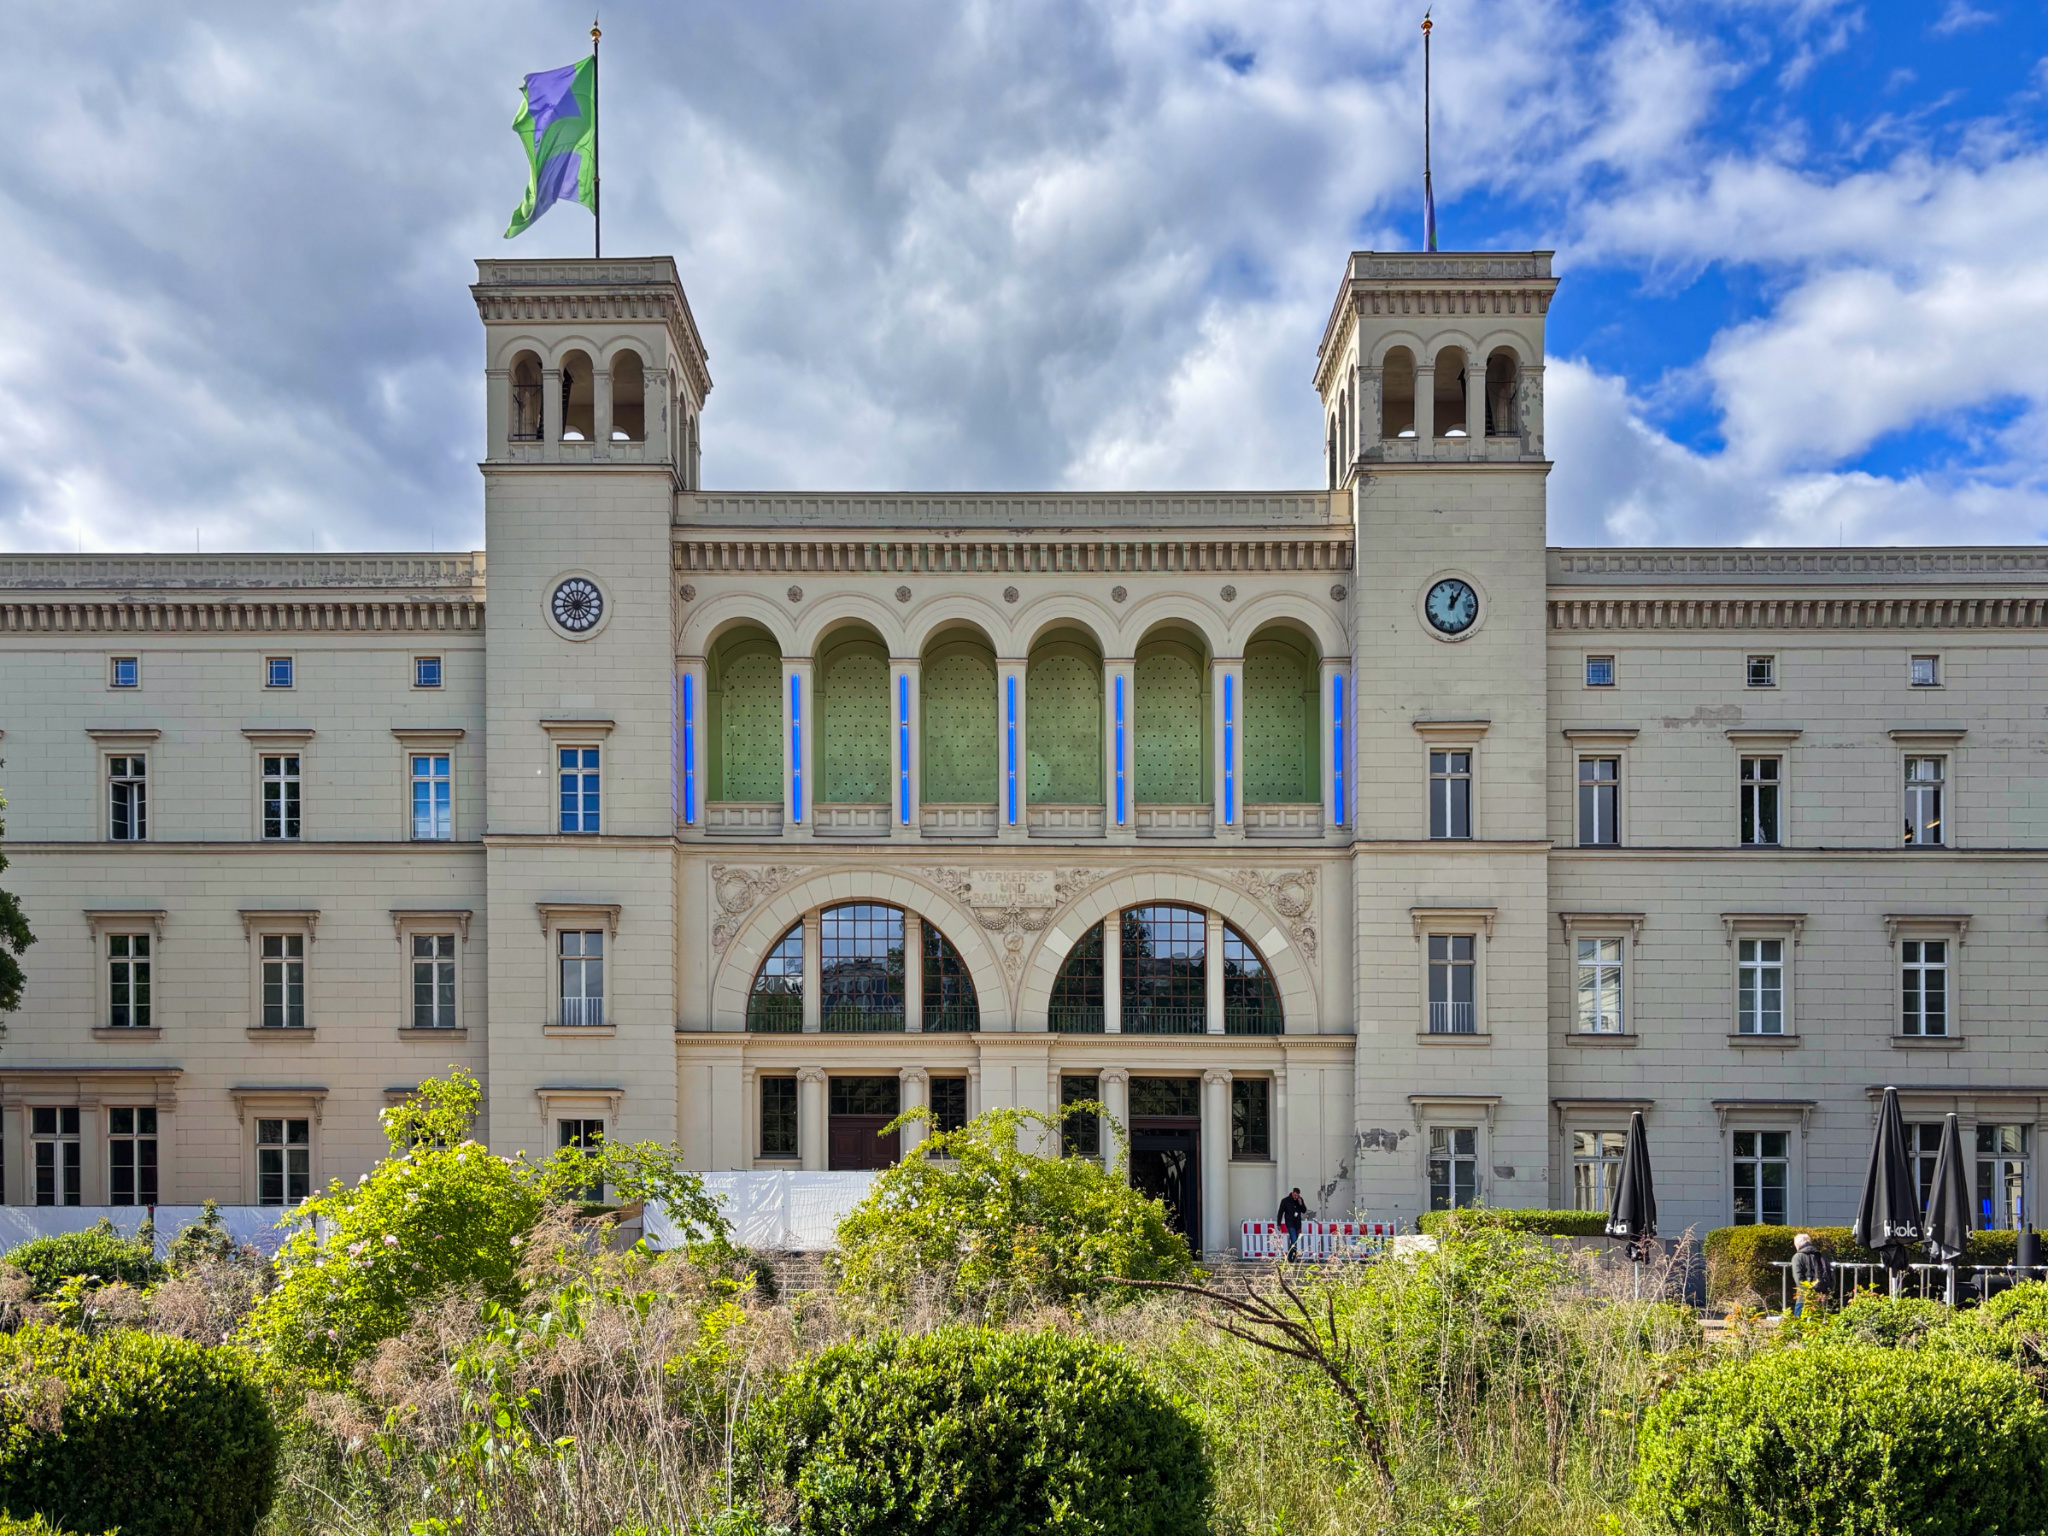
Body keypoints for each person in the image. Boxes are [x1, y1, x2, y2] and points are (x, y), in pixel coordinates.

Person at [1789, 1232, 1830, 1316]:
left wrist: (1807, 1292)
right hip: (1821, 1294)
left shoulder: (1798, 1256)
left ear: (1797, 1244)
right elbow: (1829, 1273)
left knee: (1799, 1322)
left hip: (1804, 1297)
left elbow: (1798, 1278)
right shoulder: (1820, 1255)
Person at [1277, 1187, 1309, 1262]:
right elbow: (1280, 1212)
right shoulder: (1285, 1201)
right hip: (1290, 1222)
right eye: (1294, 1195)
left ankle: (1292, 1256)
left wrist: (1301, 1204)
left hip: (1297, 1223)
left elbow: (1304, 1210)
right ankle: (1290, 1256)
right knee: (1294, 1239)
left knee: (1295, 1241)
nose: (1295, 1197)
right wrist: (1279, 1223)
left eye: (1297, 1196)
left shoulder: (1299, 1200)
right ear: (1292, 1193)